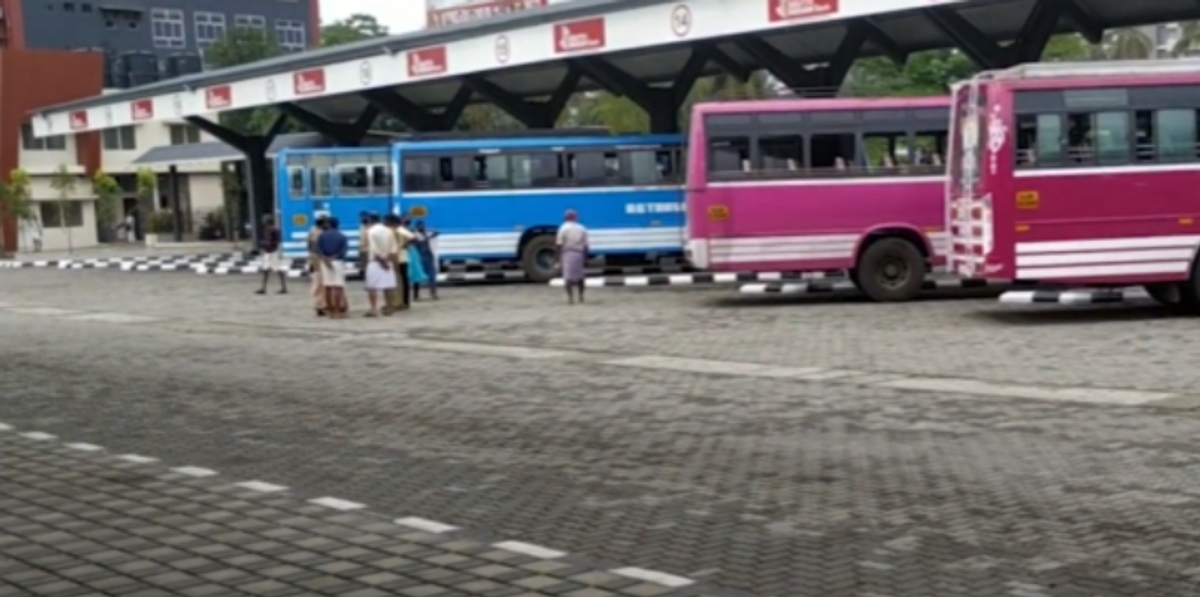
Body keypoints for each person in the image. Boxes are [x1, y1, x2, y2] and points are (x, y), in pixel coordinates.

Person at [364, 213, 397, 317]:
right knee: (388, 286)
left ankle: (373, 309)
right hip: (388, 261)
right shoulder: (389, 231)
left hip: (375, 262)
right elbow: (393, 249)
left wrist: (381, 261)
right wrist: (387, 261)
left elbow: (374, 249)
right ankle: (389, 308)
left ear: (370, 221)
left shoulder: (370, 231)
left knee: (372, 287)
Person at [317, 217, 349, 318]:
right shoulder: (342, 236)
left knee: (328, 287)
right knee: (338, 287)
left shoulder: (322, 236)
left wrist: (326, 259)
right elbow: (343, 251)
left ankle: (330, 311)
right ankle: (337, 311)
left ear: (329, 224)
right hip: (338, 262)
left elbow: (319, 249)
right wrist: (334, 257)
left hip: (325, 262)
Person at [557, 209, 588, 304]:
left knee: (568, 277)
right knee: (580, 277)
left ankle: (570, 298)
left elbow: (559, 244)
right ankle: (581, 296)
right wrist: (586, 257)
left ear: (566, 218)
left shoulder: (563, 228)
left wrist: (558, 257)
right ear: (575, 217)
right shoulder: (582, 228)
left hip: (567, 254)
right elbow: (586, 244)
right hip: (579, 254)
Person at [390, 217, 417, 311]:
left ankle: (403, 301)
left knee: (401, 280)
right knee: (401, 280)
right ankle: (402, 301)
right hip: (400, 257)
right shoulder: (397, 230)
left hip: (401, 257)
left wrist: (404, 245)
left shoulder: (400, 230)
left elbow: (413, 237)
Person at [257, 215, 288, 295]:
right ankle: (263, 288)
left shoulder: (275, 230)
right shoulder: (267, 230)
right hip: (268, 251)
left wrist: (267, 244)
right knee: (266, 270)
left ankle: (283, 287)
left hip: (273, 252)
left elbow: (277, 241)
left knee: (278, 270)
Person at [307, 215, 329, 317]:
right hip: (320, 260)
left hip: (313, 259)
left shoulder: (311, 231)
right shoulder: (322, 233)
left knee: (315, 283)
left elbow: (308, 246)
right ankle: (321, 305)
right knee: (321, 284)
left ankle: (318, 304)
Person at [412, 221, 439, 300]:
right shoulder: (415, 235)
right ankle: (416, 295)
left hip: (429, 256)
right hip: (419, 257)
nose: (422, 227)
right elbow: (418, 242)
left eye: (423, 226)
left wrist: (430, 236)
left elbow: (436, 232)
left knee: (432, 275)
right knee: (417, 277)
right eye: (420, 226)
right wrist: (428, 238)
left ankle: (433, 292)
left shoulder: (426, 233)